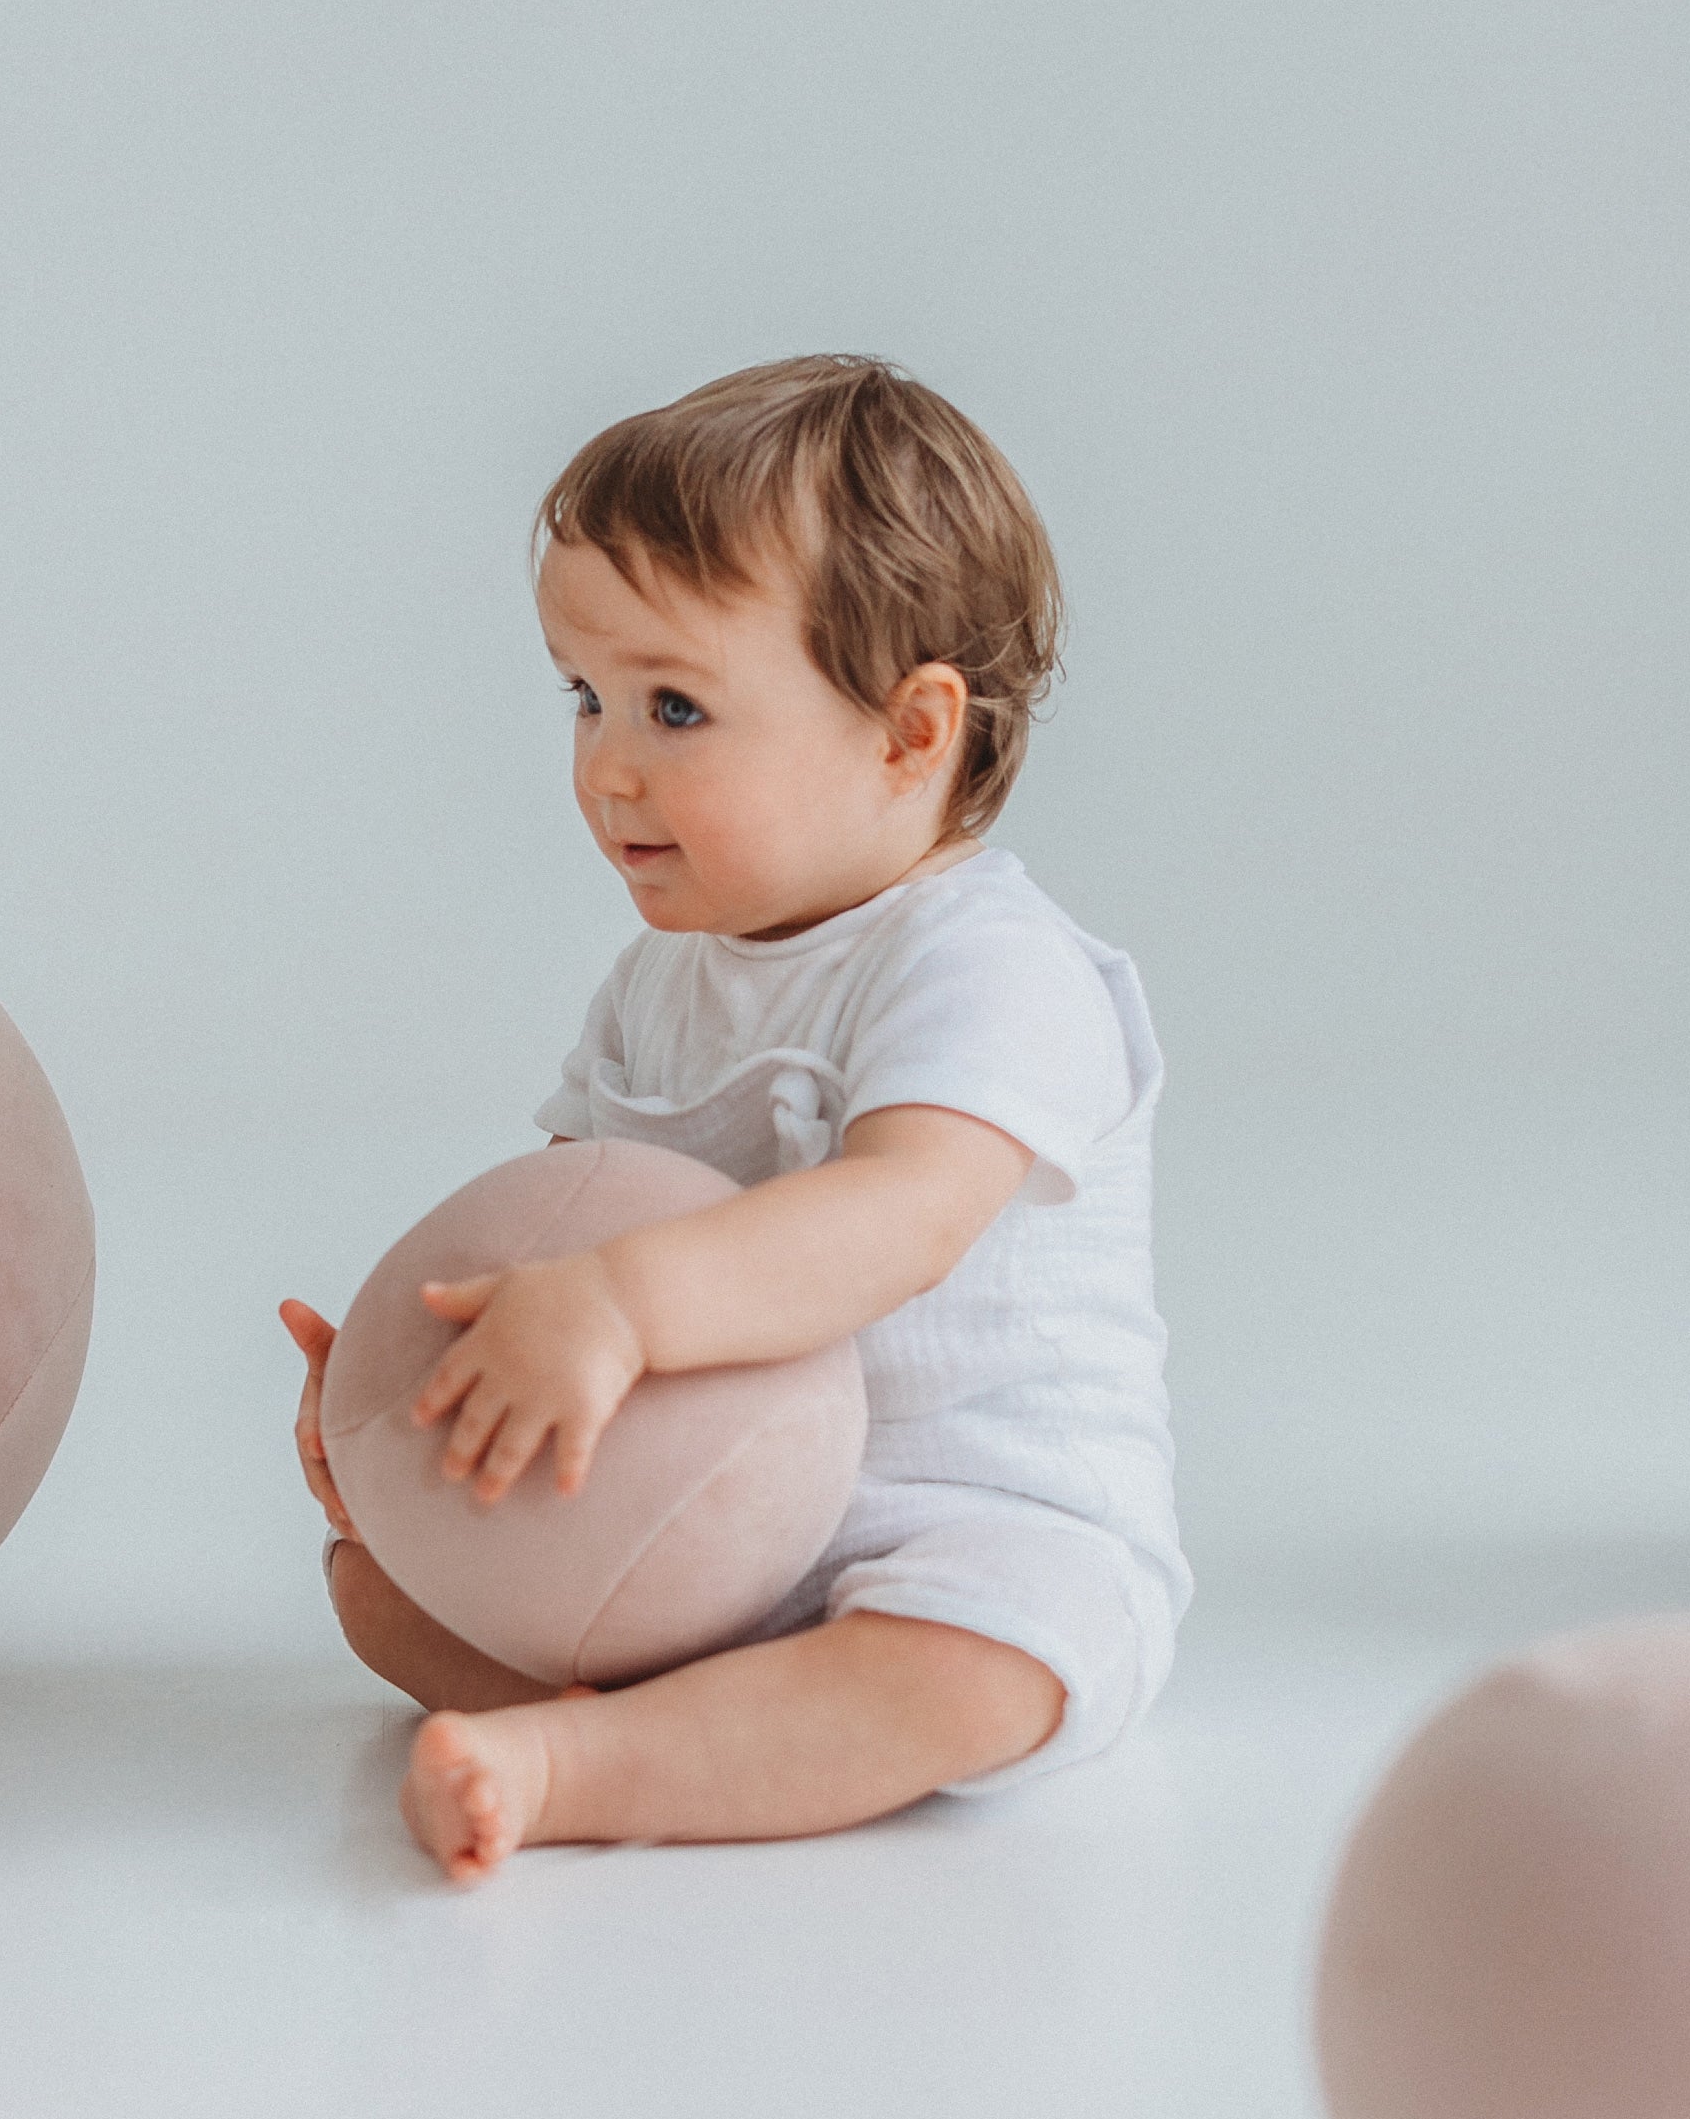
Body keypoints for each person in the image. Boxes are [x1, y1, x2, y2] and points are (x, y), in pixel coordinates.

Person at [280, 353, 1188, 1882]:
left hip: (964, 1527)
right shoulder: (659, 983)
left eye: (677, 706)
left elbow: (899, 1219)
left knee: (979, 1674)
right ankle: (692, 1716)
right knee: (375, 1588)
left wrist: (621, 1307)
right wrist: (439, 1382)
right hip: (716, 1528)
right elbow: (566, 1224)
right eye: (587, 695)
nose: (606, 764)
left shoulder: (992, 971)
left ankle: (586, 1758)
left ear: (911, 734)